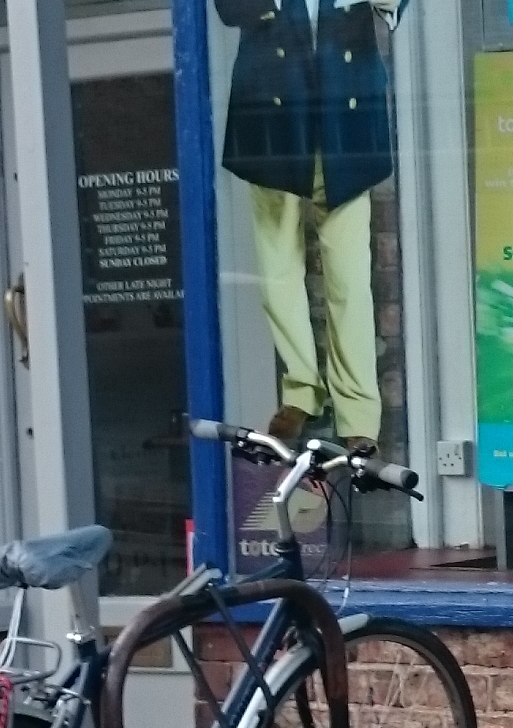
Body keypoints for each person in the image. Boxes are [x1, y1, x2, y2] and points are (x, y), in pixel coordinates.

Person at [215, 0, 407, 450]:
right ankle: (301, 391)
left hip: (346, 118)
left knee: (351, 280)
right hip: (274, 118)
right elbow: (230, 7)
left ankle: (359, 415)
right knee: (277, 270)